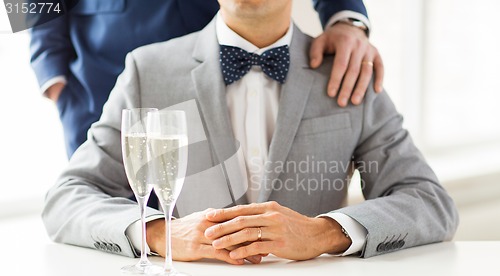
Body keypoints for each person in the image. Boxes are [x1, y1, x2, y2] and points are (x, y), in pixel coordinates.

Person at [42, 0, 458, 264]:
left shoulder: (347, 78)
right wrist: (49, 69)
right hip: (101, 78)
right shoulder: (144, 70)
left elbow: (429, 201)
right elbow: (69, 198)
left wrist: (325, 232)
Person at [30, 0, 383, 158]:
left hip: (220, 80)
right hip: (99, 88)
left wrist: (345, 17)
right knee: (107, 230)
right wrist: (52, 76)